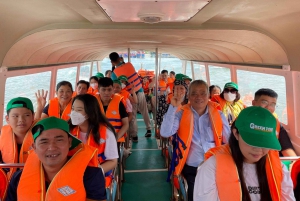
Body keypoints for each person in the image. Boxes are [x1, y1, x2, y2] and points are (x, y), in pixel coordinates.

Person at [194, 106, 295, 201]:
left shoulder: (279, 169)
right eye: (252, 141)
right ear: (236, 134)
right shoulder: (212, 167)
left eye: (265, 143)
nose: (259, 149)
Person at [160, 80, 230, 201]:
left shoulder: (219, 115)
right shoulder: (180, 114)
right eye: (194, 94)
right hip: (193, 168)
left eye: (203, 93)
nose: (199, 97)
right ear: (188, 96)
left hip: (215, 166)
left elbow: (228, 141)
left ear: (209, 95)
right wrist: (173, 107)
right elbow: (165, 133)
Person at [6, 117, 106, 201]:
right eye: (44, 142)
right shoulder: (18, 178)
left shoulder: (91, 175)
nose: (52, 147)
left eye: (59, 140)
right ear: (34, 147)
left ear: (69, 142)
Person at [0, 91, 47, 180]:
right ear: (7, 119)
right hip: (7, 182)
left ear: (32, 117)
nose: (21, 120)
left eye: (26, 115)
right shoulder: (1, 136)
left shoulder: (42, 136)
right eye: (15, 116)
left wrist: (40, 109)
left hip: (34, 180)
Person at [69, 94, 118, 173]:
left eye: (79, 110)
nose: (74, 113)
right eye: (73, 109)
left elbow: (113, 161)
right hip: (73, 173)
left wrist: (94, 174)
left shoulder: (106, 132)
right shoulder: (68, 131)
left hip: (96, 174)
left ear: (89, 112)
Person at [109, 52, 152, 139]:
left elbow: (117, 86)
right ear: (120, 58)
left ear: (112, 62)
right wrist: (122, 61)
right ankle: (149, 129)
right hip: (139, 91)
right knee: (145, 111)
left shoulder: (114, 74)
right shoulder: (129, 65)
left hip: (129, 95)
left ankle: (134, 135)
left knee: (133, 115)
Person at [252, 88, 297, 157]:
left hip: (273, 162)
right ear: (254, 103)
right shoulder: (242, 122)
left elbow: (286, 148)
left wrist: (295, 162)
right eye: (264, 102)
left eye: (272, 104)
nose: (268, 107)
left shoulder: (276, 124)